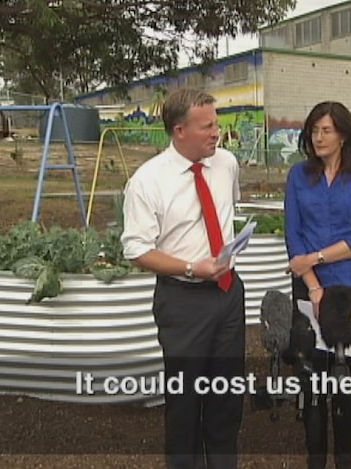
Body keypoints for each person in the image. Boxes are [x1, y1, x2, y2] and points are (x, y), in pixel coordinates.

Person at [121, 88, 245, 469]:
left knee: (226, 397)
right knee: (185, 402)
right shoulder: (148, 182)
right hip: (183, 300)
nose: (216, 132)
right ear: (179, 130)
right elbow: (137, 249)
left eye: (217, 123)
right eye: (207, 126)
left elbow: (226, 213)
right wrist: (193, 268)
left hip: (227, 295)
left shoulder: (226, 164)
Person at [284, 101, 351, 469]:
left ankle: (345, 459)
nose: (319, 137)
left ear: (343, 134)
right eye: (314, 130)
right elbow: (294, 239)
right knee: (310, 374)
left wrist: (316, 259)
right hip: (310, 289)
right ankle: (315, 458)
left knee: (344, 376)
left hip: (350, 288)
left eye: (326, 130)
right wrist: (312, 283)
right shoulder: (298, 176)